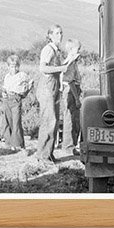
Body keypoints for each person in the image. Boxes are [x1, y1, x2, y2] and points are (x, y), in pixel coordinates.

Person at [34, 25, 78, 163]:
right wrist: (61, 68)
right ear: (50, 35)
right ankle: (43, 156)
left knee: (53, 121)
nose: (60, 36)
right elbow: (43, 67)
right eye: (57, 33)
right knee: (49, 121)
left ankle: (48, 154)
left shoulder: (56, 51)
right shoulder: (48, 49)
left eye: (61, 33)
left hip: (53, 87)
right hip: (47, 87)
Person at [0, 54, 30, 149]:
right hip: (7, 99)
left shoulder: (22, 75)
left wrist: (24, 92)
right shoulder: (7, 77)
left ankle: (18, 144)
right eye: (12, 66)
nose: (14, 68)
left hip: (16, 99)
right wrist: (3, 93)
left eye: (16, 66)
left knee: (16, 122)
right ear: (8, 66)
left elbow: (29, 84)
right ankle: (9, 143)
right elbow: (4, 88)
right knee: (7, 121)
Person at [60, 38, 83, 154]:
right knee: (70, 120)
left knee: (73, 119)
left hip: (73, 91)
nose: (80, 52)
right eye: (78, 49)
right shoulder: (70, 63)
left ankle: (71, 145)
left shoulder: (72, 62)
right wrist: (77, 98)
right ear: (71, 50)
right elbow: (71, 82)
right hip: (71, 92)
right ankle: (69, 146)